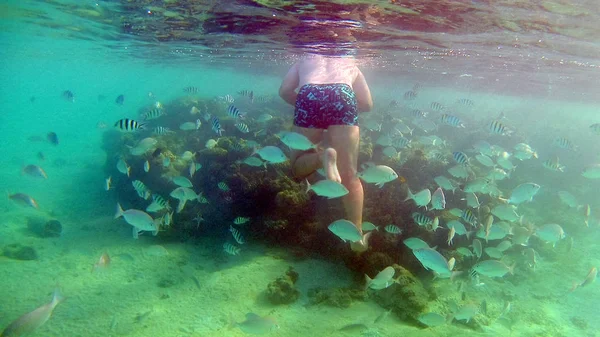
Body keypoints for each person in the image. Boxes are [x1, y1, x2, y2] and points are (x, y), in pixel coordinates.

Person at [279, 53, 373, 251]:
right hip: (342, 95)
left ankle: (322, 156)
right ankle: (356, 235)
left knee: (297, 167)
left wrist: (310, 107)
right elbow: (367, 104)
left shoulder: (304, 58)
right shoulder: (350, 62)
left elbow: (285, 91)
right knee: (350, 175)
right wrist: (339, 114)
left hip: (309, 95)